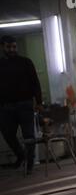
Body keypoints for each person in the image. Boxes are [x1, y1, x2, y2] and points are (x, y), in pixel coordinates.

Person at [0, 35, 43, 174]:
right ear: (3, 47)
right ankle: (21, 155)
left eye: (14, 47)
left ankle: (29, 163)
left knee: (29, 136)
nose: (12, 49)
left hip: (25, 104)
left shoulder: (26, 62)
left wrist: (39, 102)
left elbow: (35, 83)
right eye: (8, 47)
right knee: (7, 133)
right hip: (6, 106)